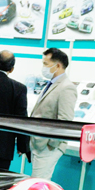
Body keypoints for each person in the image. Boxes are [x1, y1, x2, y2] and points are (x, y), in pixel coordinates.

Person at [29, 48, 78, 180]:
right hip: (39, 143)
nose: (43, 67)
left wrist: (52, 144)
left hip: (48, 146)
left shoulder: (66, 87)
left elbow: (65, 119)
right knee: (38, 182)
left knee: (38, 183)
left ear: (58, 65)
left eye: (46, 64)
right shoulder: (51, 84)